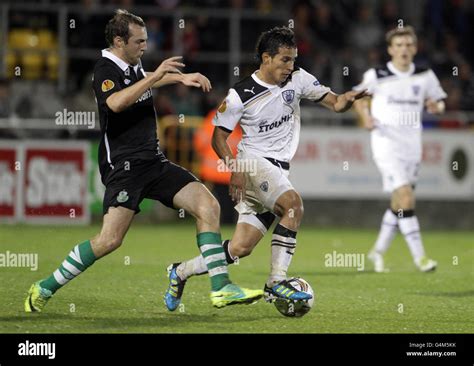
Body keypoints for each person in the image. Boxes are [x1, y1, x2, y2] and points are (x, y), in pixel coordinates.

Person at [24, 9, 263, 313]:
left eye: (146, 40)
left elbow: (145, 81)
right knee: (109, 240)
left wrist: (178, 77)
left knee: (208, 205)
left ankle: (221, 287)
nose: (144, 47)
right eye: (139, 41)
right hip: (124, 166)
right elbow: (116, 102)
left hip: (153, 161)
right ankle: (44, 287)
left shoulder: (132, 66)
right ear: (119, 40)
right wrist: (156, 76)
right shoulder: (104, 68)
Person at [163, 26, 368, 311]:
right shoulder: (240, 94)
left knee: (239, 249)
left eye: (293, 59)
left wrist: (347, 100)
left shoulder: (298, 79)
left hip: (277, 170)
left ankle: (180, 271)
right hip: (253, 163)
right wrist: (234, 168)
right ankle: (276, 283)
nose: (290, 66)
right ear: (266, 58)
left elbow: (335, 103)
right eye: (285, 59)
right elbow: (218, 136)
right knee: (293, 206)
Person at [352, 26, 446, 273]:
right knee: (406, 196)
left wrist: (438, 107)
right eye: (399, 45)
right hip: (386, 144)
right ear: (391, 49)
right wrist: (365, 117)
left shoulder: (425, 75)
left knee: (399, 203)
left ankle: (377, 252)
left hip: (412, 146)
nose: (404, 49)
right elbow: (358, 97)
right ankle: (421, 258)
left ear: (414, 48)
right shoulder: (377, 75)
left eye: (408, 45)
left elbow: (440, 101)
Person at [193, 108, 243, 224]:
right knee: (228, 209)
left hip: (211, 173)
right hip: (227, 174)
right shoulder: (236, 125)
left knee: (211, 206)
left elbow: (199, 143)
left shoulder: (211, 119)